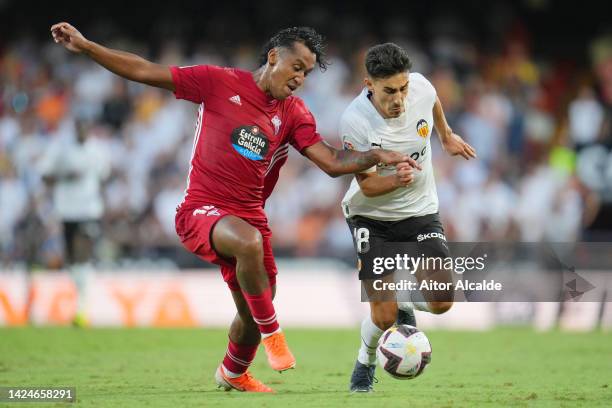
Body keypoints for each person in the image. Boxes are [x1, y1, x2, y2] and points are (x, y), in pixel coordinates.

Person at [51, 23, 417, 393]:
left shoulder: (293, 112)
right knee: (249, 247)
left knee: (252, 305)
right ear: (274, 57)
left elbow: (331, 161)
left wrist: (374, 155)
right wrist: (87, 47)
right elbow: (145, 70)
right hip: (201, 209)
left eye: (306, 73)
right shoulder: (217, 82)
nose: (300, 78)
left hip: (249, 216)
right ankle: (274, 336)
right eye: (296, 67)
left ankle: (233, 371)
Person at [339, 43, 476, 392]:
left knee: (443, 300)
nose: (399, 98)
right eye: (389, 91)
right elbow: (367, 187)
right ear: (369, 84)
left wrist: (445, 136)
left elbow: (433, 104)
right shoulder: (354, 121)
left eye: (402, 88)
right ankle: (366, 360)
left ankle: (402, 299)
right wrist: (395, 179)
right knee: (383, 318)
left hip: (420, 211)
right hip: (372, 218)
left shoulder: (422, 87)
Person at [38, 120, 111, 327]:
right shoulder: (61, 150)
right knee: (72, 260)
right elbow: (44, 175)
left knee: (82, 254)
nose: (83, 131)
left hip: (88, 210)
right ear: (75, 129)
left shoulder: (97, 150)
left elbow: (105, 175)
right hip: (66, 210)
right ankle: (81, 303)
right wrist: (64, 176)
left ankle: (82, 309)